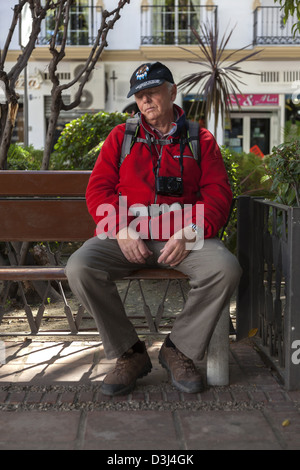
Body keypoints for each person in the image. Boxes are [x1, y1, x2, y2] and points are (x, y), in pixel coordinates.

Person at [66, 62, 241, 396]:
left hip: (184, 239)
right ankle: (130, 354)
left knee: (225, 268)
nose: (145, 101)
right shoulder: (122, 137)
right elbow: (98, 190)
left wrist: (191, 231)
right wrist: (119, 229)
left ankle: (179, 349)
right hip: (128, 238)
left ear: (172, 92)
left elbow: (219, 195)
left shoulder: (199, 139)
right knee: (80, 266)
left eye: (153, 92)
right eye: (140, 95)